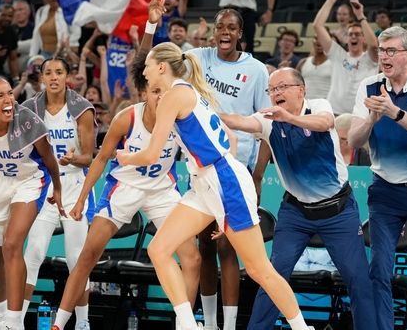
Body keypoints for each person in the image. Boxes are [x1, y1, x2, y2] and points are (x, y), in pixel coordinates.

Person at [115, 40, 311, 330]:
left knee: (259, 269)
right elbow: (230, 141)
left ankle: (301, 327)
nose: (143, 71)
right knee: (159, 249)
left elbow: (151, 154)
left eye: (146, 66)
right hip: (208, 183)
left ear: (160, 67)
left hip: (223, 181)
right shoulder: (188, 91)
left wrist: (124, 156)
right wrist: (216, 203)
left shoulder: (174, 96)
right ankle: (186, 324)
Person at [51, 50, 201, 330]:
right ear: (144, 94)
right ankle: (59, 323)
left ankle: (185, 325)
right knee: (87, 255)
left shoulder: (181, 117)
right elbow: (100, 159)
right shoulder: (126, 118)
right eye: (154, 91)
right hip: (125, 187)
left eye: (164, 91)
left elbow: (199, 161)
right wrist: (82, 198)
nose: (160, 96)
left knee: (192, 258)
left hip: (161, 190)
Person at [220, 67, 376, 330]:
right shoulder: (268, 119)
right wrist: (202, 112)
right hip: (296, 214)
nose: (276, 93)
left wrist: (289, 118)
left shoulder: (318, 105)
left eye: (282, 87)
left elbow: (325, 123)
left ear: (301, 90)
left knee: (359, 280)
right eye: (272, 89)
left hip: (338, 212)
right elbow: (240, 121)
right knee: (272, 276)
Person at [0, 76, 63, 330]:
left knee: (12, 244)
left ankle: (15, 322)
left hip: (29, 180)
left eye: (10, 94)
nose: (9, 100)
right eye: (0, 96)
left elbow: (49, 158)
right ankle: (1, 315)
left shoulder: (28, 120)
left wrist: (58, 188)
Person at [187, 6, 269, 330]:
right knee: (205, 244)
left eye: (231, 27)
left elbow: (265, 126)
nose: (225, 32)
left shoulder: (257, 70)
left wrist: (258, 176)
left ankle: (230, 324)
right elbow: (161, 62)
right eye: (220, 26)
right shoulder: (198, 58)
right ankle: (209, 324)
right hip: (200, 170)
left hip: (236, 169)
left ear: (240, 35)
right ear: (213, 31)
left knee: (227, 245)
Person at [347, 26, 407, 330]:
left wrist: (395, 113)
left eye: (391, 51)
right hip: (384, 191)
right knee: (379, 268)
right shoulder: (368, 85)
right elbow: (353, 139)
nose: (384, 56)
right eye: (381, 50)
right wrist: (371, 119)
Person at [21, 57, 96, 329]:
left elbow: (89, 157)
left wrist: (73, 159)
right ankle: (15, 320)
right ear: (41, 77)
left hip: (74, 186)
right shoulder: (29, 109)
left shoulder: (82, 109)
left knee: (77, 257)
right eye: (48, 72)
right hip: (43, 186)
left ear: (68, 77)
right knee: (34, 253)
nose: (54, 77)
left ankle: (83, 322)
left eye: (59, 72)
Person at [314, 0, 378, 115]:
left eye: (358, 34)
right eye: (351, 34)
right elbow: (317, 26)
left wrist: (360, 16)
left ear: (363, 38)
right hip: (335, 112)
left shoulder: (370, 58)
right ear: (347, 38)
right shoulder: (338, 54)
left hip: (361, 114)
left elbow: (374, 44)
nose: (354, 37)